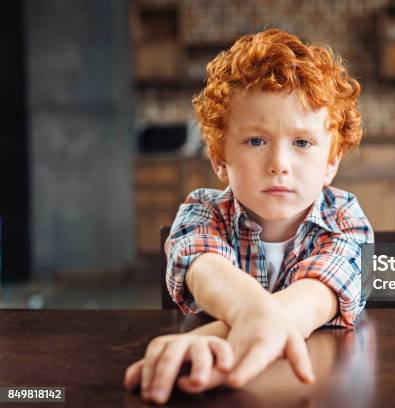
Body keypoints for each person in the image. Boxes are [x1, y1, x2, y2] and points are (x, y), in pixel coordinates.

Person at [124, 28, 373, 405]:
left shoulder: (346, 218)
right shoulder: (202, 211)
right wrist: (248, 317)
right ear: (221, 161)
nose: (279, 165)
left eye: (302, 143)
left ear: (331, 162)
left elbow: (315, 300)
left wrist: (201, 340)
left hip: (317, 388)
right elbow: (206, 270)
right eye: (256, 141)